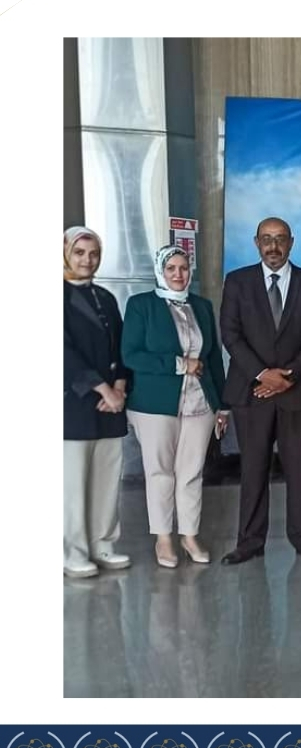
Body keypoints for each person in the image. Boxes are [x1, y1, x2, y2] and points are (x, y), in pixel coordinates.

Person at [219, 217, 301, 564]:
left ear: (291, 242)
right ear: (256, 243)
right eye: (267, 239)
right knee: (253, 470)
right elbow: (230, 334)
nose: (273, 246)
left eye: (280, 239)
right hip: (251, 392)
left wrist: (288, 376)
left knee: (300, 470)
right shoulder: (237, 282)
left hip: (298, 391)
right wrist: (263, 375)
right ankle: (250, 542)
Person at [122, 245, 228, 567]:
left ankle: (190, 536)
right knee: (160, 473)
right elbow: (131, 355)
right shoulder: (141, 305)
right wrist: (180, 364)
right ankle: (164, 538)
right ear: (161, 271)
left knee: (191, 473)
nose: (178, 274)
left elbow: (212, 357)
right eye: (171, 269)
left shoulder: (201, 306)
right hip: (154, 404)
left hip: (200, 403)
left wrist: (222, 405)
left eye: (183, 268)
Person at [63, 227, 131, 578]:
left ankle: (103, 543)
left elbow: (122, 347)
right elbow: (62, 352)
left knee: (106, 480)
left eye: (93, 254)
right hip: (73, 406)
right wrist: (103, 389)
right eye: (79, 253)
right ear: (65, 254)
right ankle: (71, 552)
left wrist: (119, 386)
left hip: (110, 406)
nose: (87, 260)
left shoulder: (105, 297)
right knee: (72, 484)